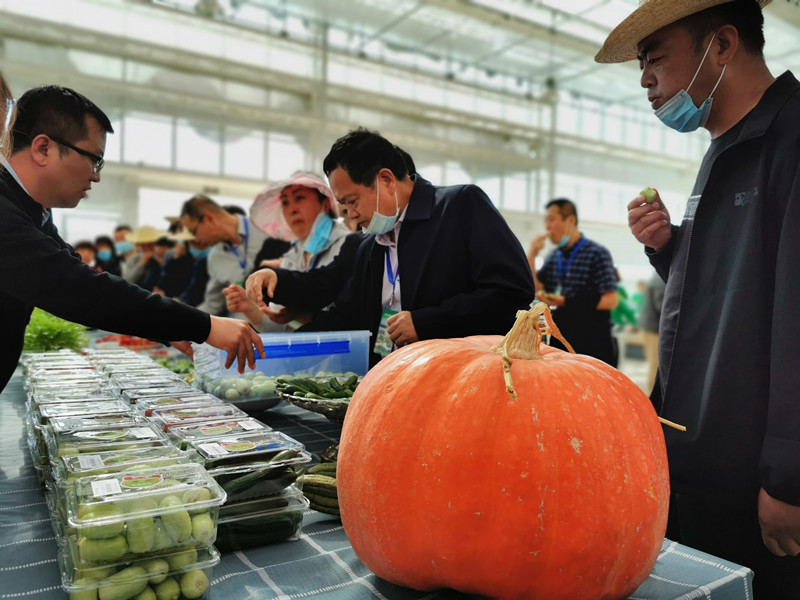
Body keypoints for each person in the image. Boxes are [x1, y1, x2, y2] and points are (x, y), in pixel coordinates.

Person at [597, 0, 800, 595]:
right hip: (704, 461)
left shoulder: (791, 140)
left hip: (760, 482)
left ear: (722, 45)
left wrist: (789, 475)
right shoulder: (727, 146)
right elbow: (740, 283)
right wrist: (671, 248)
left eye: (655, 58)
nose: (644, 80)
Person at [0, 81, 264, 392]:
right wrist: (203, 325)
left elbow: (83, 276)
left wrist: (172, 328)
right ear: (43, 148)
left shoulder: (31, 211)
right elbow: (79, 289)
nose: (96, 175)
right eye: (93, 158)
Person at [246, 128, 535, 364]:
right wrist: (273, 348)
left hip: (461, 378)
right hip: (392, 380)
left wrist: (427, 322)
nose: (349, 214)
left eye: (352, 201)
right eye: (344, 205)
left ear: (385, 180)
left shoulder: (459, 207)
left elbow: (512, 291)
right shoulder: (371, 247)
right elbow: (341, 310)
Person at [224, 171, 356, 330]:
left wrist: (300, 314)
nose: (291, 210)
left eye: (299, 198)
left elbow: (344, 318)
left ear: (325, 204)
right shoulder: (294, 253)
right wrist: (248, 307)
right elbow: (282, 326)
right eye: (285, 203)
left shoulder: (348, 246)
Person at [527, 198, 619, 366]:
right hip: (562, 338)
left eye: (551, 219)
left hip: (592, 340)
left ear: (570, 220)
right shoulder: (554, 256)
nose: (547, 227)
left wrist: (565, 301)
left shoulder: (597, 253)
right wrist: (532, 254)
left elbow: (610, 300)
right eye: (545, 221)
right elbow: (538, 288)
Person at [179, 195, 277, 316]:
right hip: (245, 328)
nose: (196, 239)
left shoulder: (267, 229)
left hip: (283, 325)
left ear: (209, 219)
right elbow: (213, 304)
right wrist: (185, 321)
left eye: (194, 232)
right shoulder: (215, 257)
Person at [638, 271, 666, 393]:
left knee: (656, 367)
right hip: (653, 330)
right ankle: (653, 406)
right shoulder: (661, 278)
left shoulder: (660, 274)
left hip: (653, 327)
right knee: (655, 368)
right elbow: (662, 306)